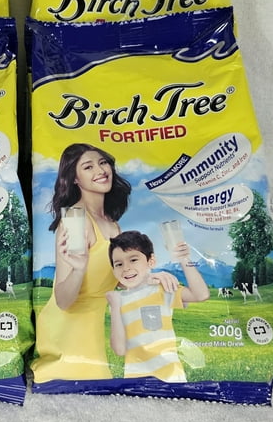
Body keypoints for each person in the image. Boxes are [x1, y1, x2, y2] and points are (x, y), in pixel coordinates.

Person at [31, 143, 179, 383]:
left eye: (102, 163)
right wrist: (78, 269)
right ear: (75, 179)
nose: (100, 170)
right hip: (68, 328)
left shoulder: (112, 224)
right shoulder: (75, 221)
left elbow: (108, 279)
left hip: (93, 325)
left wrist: (150, 278)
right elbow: (63, 300)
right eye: (88, 167)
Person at [106, 230, 210, 382]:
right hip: (135, 380)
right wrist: (115, 307)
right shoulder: (118, 301)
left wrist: (184, 259)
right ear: (114, 270)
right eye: (119, 264)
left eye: (133, 260)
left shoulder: (162, 288)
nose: (126, 268)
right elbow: (119, 350)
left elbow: (201, 295)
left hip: (171, 378)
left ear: (151, 261)